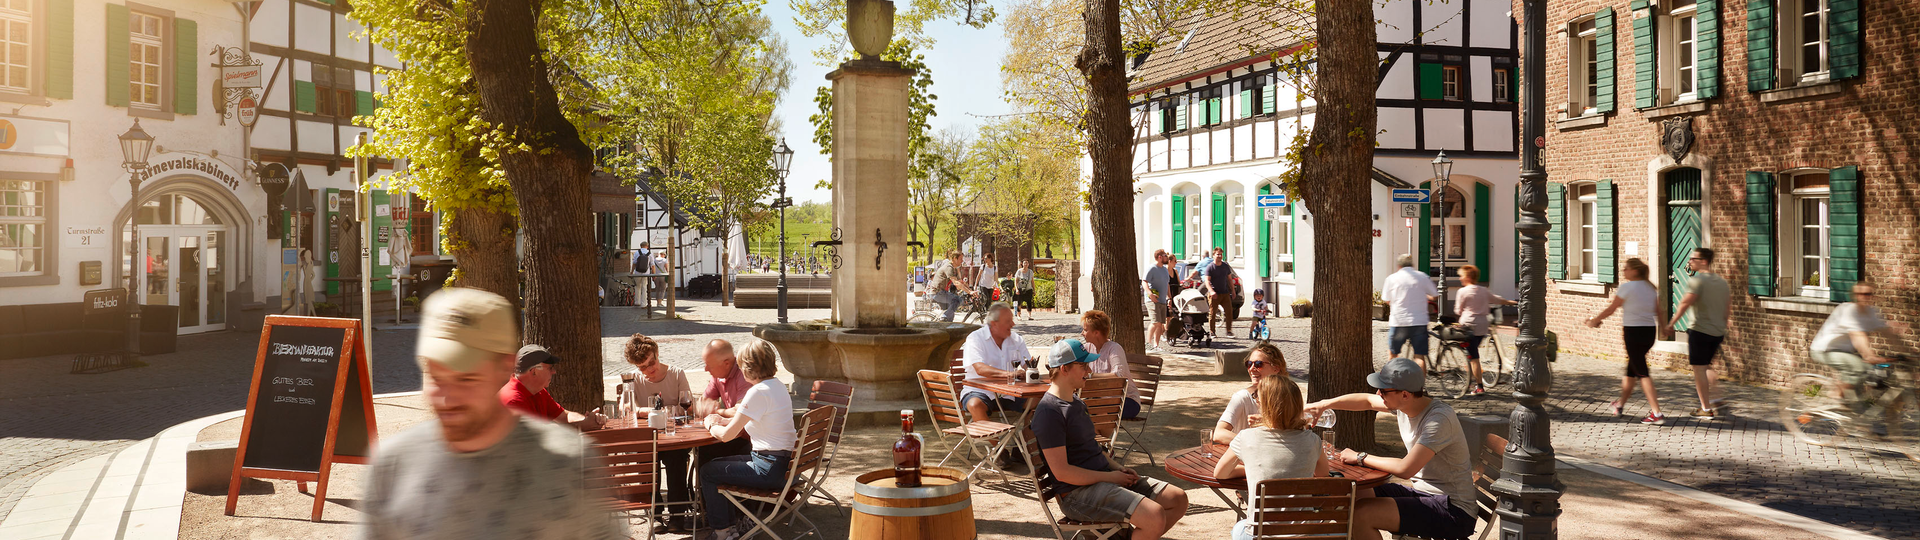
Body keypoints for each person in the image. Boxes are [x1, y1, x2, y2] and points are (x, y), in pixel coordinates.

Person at [359, 288, 621, 540]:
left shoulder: (569, 466)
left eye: (467, 378)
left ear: (504, 367)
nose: (447, 398)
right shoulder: (392, 467)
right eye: (435, 376)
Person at [1304, 358, 1477, 540]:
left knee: (1362, 514)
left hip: (1454, 510)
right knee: (1349, 496)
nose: (1378, 394)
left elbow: (1405, 469)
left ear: (1405, 395)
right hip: (1424, 494)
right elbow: (1366, 401)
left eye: (1384, 391)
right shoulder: (1405, 404)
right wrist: (1323, 404)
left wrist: (1360, 457)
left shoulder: (1439, 419)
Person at [1035, 339, 1189, 539]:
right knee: (1154, 515)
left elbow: (1092, 448)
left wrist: (1118, 468)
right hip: (1076, 495)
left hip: (1103, 479)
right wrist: (1111, 477)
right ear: (1064, 369)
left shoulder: (1077, 402)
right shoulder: (1049, 412)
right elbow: (1062, 472)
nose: (1089, 370)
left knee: (1177, 499)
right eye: (1083, 365)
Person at [698, 339, 798, 540]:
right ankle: (730, 528)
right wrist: (723, 420)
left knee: (708, 471)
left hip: (769, 469)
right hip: (786, 467)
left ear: (747, 367)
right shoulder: (777, 386)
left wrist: (710, 424)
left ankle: (722, 533)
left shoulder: (757, 392)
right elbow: (750, 420)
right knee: (716, 464)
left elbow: (726, 436)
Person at [1213, 374, 1329, 540]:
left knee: (1239, 528)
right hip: (1303, 534)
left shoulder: (1246, 437)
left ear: (1264, 405)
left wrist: (1252, 469)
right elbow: (1323, 474)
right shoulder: (1312, 440)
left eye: (1257, 398)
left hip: (1260, 534)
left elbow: (1220, 473)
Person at [622, 334, 698, 533]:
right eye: (642, 367)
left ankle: (677, 515)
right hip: (649, 438)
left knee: (677, 460)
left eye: (651, 363)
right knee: (646, 459)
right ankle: (654, 514)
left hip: (674, 437)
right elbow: (626, 409)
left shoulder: (676, 374)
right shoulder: (634, 379)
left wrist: (665, 412)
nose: (649, 370)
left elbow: (689, 407)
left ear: (657, 353)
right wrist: (648, 411)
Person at [1584, 258, 1667, 425]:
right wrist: (1664, 328)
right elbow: (1659, 311)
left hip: (1633, 333)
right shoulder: (1651, 288)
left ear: (1634, 271)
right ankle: (1620, 404)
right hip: (1649, 332)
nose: (1624, 271)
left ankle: (1657, 413)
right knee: (1632, 370)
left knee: (1642, 372)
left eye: (1626, 268)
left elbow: (1611, 308)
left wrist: (1595, 320)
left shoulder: (1627, 287)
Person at [1810, 282, 1909, 417]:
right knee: (1858, 367)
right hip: (1824, 350)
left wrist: (1907, 351)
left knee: (1865, 380)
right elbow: (1858, 336)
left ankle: (1857, 421)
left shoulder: (1872, 312)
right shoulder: (1848, 310)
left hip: (1845, 352)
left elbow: (1888, 333)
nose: (1864, 297)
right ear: (1854, 296)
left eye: (1868, 294)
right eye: (1860, 294)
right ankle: (1835, 397)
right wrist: (1869, 355)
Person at [961, 304, 1032, 469]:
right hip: (979, 390)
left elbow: (1029, 365)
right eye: (1008, 321)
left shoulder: (1016, 339)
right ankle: (999, 450)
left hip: (1010, 392)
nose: (1013, 324)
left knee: (1040, 402)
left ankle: (1022, 445)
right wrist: (1009, 374)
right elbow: (980, 368)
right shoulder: (975, 338)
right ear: (994, 324)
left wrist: (1031, 370)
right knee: (974, 405)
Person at [1665, 247, 1731, 418]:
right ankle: (1717, 398)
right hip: (1717, 332)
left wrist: (1671, 323)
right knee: (1706, 365)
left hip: (1700, 330)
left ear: (1703, 261)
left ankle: (1705, 409)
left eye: (1693, 258)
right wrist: (1722, 327)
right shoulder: (1722, 282)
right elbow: (1727, 310)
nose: (1690, 261)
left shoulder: (1697, 281)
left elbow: (1685, 303)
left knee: (1699, 369)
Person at [499, 344, 607, 430]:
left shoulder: (538, 391)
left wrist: (587, 420)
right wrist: (583, 425)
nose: (554, 372)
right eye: (550, 368)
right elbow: (538, 438)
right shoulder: (513, 401)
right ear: (534, 371)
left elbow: (564, 416)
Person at [1451, 264, 1515, 397]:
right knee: (1471, 352)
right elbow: (1497, 300)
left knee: (1473, 357)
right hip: (1482, 326)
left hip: (1468, 326)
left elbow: (1457, 310)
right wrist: (1511, 302)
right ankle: (1470, 378)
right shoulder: (1483, 290)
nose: (1460, 278)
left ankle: (1479, 386)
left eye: (1461, 276)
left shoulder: (1462, 291)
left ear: (1468, 277)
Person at [1213, 342, 1286, 445]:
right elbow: (1219, 433)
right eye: (1249, 364)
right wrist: (1253, 445)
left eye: (1258, 364)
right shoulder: (1242, 397)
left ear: (1276, 368)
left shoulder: (1287, 397)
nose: (1251, 369)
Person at [700, 339, 754, 465]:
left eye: (709, 365)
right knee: (703, 448)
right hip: (735, 434)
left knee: (707, 454)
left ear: (727, 363)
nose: (705, 369)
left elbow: (739, 411)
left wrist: (717, 411)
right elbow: (703, 403)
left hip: (751, 442)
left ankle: (705, 477)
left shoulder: (744, 375)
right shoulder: (718, 376)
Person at [1080, 310, 1142, 419]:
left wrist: (1091, 376)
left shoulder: (1114, 348)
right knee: (1073, 407)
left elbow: (1118, 375)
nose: (1082, 333)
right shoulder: (1087, 348)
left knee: (1085, 410)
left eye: (1085, 330)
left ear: (1096, 333)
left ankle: (1100, 429)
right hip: (1100, 400)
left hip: (1125, 400)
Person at [1384, 254, 1440, 368]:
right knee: (1419, 357)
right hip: (1419, 322)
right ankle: (1421, 380)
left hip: (1399, 321)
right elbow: (1435, 295)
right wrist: (1425, 296)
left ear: (1399, 266)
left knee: (1393, 354)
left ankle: (1391, 378)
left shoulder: (1392, 278)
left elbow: (1386, 299)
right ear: (1412, 265)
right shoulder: (1422, 276)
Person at [1144, 250, 1174, 352]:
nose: (1167, 257)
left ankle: (1156, 346)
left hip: (1162, 300)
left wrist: (1169, 298)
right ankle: (1148, 344)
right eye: (1165, 255)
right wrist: (1150, 294)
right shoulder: (1152, 268)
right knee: (1155, 322)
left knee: (1160, 323)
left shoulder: (1165, 270)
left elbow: (1167, 284)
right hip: (1152, 300)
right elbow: (1144, 282)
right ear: (1160, 257)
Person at [1205, 248, 1236, 337]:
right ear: (1213, 255)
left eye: (1221, 254)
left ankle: (1229, 331)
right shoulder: (1210, 267)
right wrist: (1211, 291)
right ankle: (1212, 332)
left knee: (1229, 312)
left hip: (1225, 293)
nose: (1219, 256)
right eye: (1217, 254)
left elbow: (1229, 279)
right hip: (1214, 294)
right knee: (1212, 313)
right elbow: (1207, 281)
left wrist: (1233, 290)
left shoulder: (1225, 266)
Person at [930, 251, 968, 321]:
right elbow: (956, 283)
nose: (962, 261)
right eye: (961, 259)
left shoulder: (954, 269)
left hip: (942, 292)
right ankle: (943, 318)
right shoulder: (949, 267)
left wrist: (972, 291)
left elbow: (960, 282)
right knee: (957, 300)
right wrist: (969, 292)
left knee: (951, 314)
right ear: (955, 259)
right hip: (937, 293)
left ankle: (946, 324)